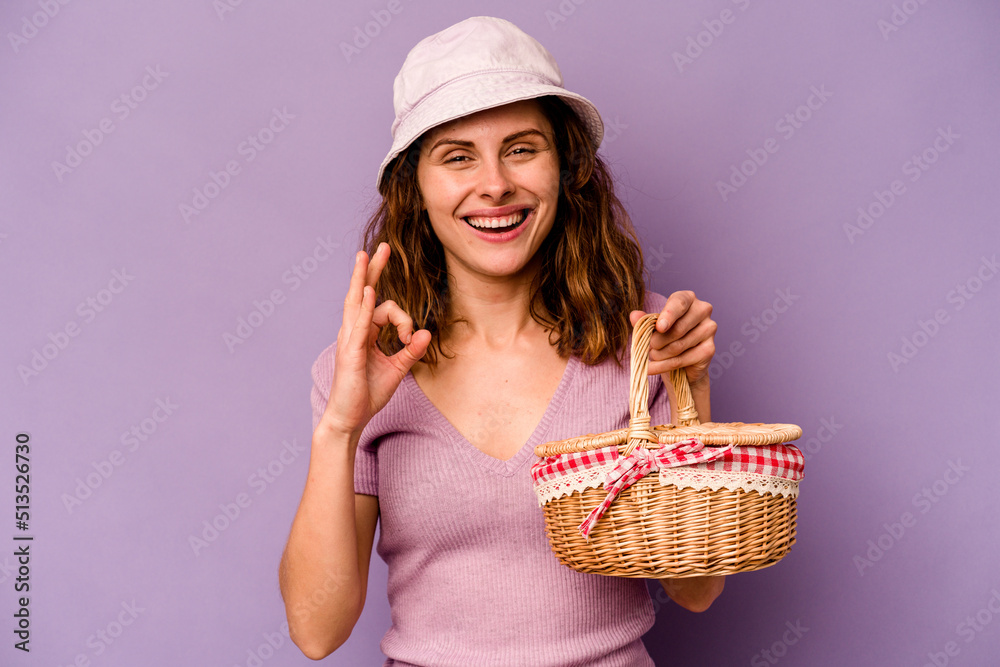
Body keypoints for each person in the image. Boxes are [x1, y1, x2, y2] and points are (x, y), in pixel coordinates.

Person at [279, 16, 723, 666]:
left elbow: (697, 586)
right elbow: (317, 630)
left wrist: (692, 387)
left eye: (521, 148)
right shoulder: (358, 372)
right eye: (457, 156)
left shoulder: (645, 342)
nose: (494, 184)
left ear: (566, 168)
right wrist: (341, 426)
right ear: (416, 185)